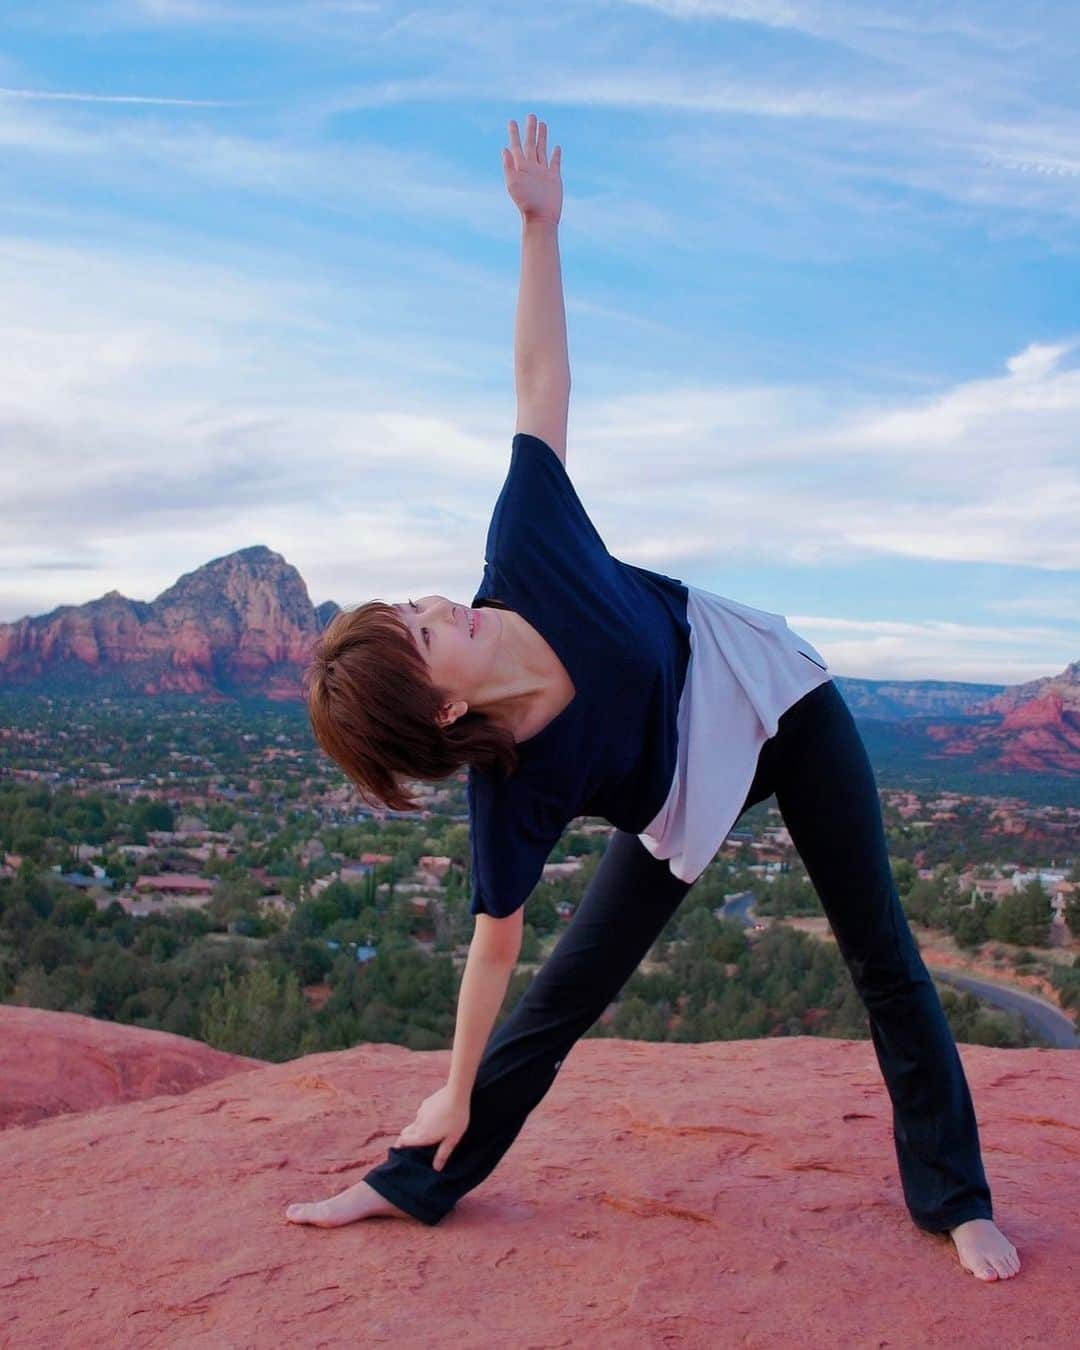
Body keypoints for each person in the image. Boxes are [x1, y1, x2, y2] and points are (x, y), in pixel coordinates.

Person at [284, 113, 1021, 1282]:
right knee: (567, 994)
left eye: (418, 604)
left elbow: (539, 381)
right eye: (422, 633)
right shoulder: (511, 786)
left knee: (881, 948)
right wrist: (456, 1085)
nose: (436, 601)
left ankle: (956, 1197)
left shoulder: (525, 545)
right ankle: (412, 1184)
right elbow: (495, 955)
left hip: (774, 702)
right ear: (437, 714)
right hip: (685, 797)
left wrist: (540, 229)